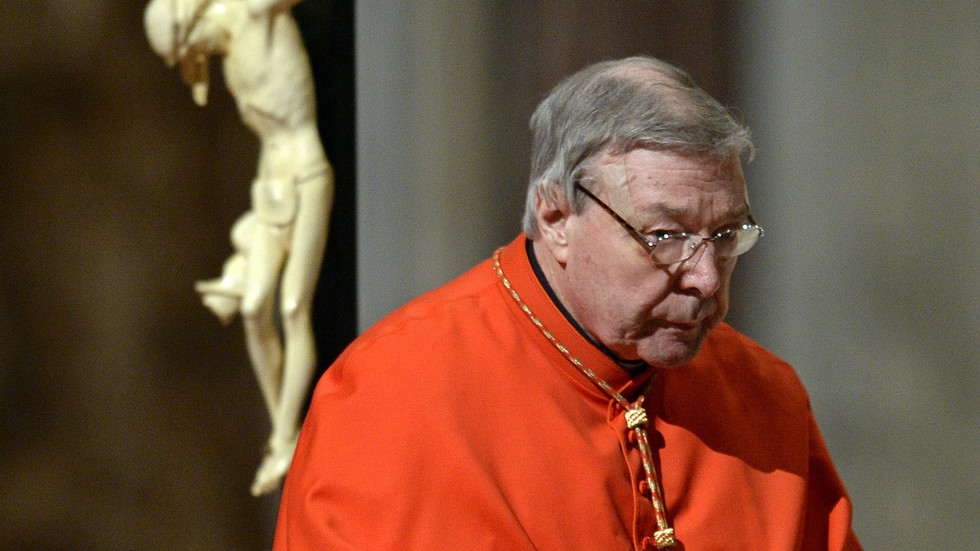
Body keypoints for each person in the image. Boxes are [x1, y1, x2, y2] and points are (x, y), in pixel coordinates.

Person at [273, 56, 862, 550]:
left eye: (726, 235)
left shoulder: (767, 398)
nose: (707, 279)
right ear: (556, 217)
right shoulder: (389, 399)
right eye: (665, 236)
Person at [144, 0, 333, 496]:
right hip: (270, 186)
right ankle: (282, 430)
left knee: (292, 307)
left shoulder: (254, 15)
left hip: (307, 175)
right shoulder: (227, 53)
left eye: (191, 46)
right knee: (252, 309)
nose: (197, 57)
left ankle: (285, 438)